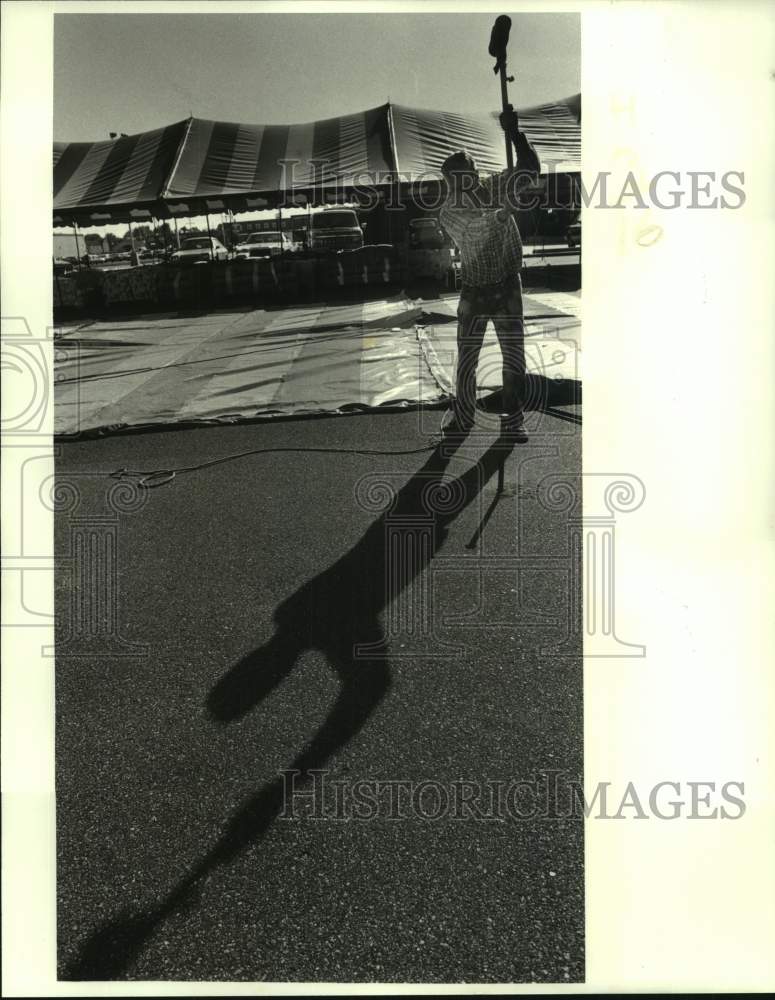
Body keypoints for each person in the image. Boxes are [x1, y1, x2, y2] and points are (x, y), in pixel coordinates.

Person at [439, 108, 541, 441]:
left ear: (475, 172)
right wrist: (502, 213)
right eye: (454, 180)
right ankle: (463, 416)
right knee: (468, 356)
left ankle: (513, 419)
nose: (460, 184)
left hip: (508, 283)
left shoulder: (496, 185)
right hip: (475, 290)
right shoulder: (449, 210)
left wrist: (515, 134)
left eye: (465, 176)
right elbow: (473, 232)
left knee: (514, 354)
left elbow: (530, 170)